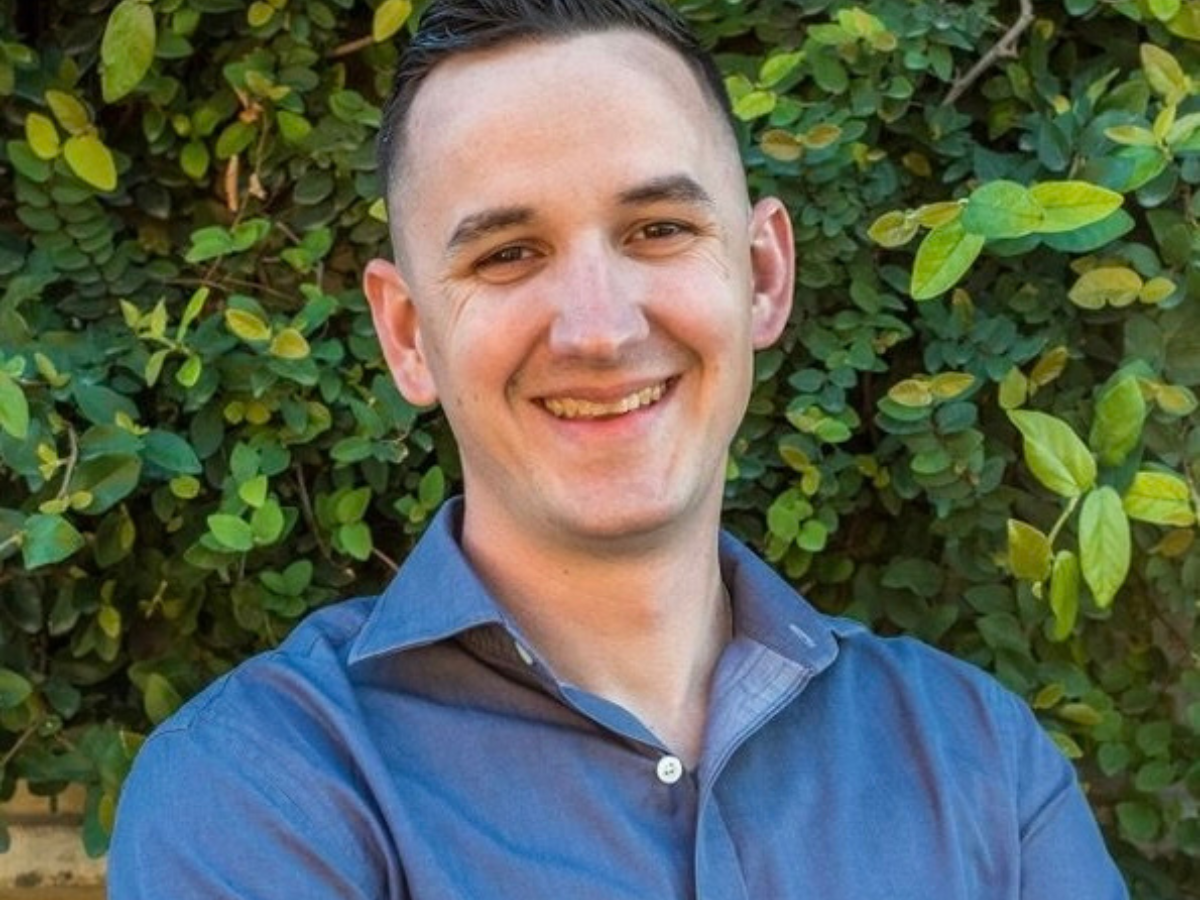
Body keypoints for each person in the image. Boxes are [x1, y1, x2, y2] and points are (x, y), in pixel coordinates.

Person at [108, 1, 1129, 897]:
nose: (597, 329)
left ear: (764, 274)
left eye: (658, 229)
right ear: (409, 335)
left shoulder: (975, 758)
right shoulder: (262, 792)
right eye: (508, 254)